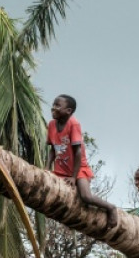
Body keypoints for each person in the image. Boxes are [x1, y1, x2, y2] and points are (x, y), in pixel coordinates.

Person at [46, 95, 118, 228]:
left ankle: (111, 208)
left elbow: (78, 152)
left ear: (68, 111)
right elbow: (52, 149)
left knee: (85, 196)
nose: (53, 108)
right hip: (60, 170)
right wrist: (46, 168)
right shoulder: (51, 125)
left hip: (78, 169)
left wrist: (73, 177)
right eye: (53, 104)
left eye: (57, 106)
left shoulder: (73, 124)